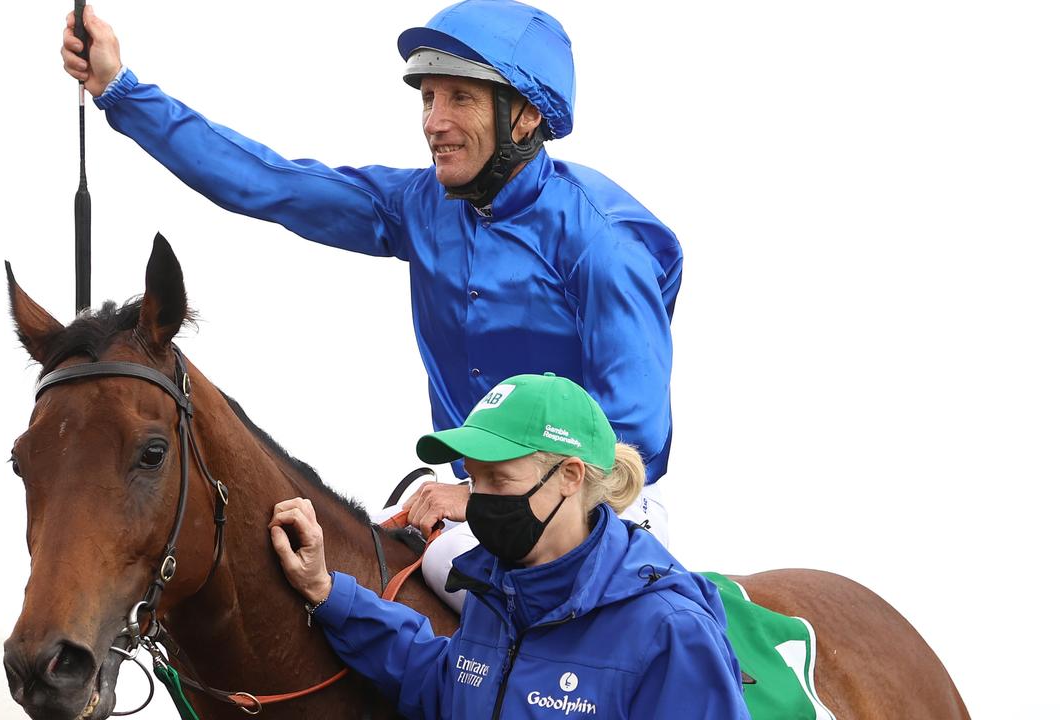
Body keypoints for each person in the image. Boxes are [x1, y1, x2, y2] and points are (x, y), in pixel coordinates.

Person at [61, 1, 681, 603]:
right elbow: (270, 184)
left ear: (523, 115)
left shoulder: (603, 244)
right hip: (473, 498)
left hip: (596, 512)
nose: (433, 121)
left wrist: (487, 500)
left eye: (458, 97)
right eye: (428, 97)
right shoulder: (422, 206)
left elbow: (631, 444)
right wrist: (121, 89)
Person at [269, 373, 747, 719]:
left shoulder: (672, 634)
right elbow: (444, 684)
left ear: (569, 476)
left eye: (499, 478)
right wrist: (326, 591)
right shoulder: (496, 588)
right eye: (473, 479)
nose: (478, 501)